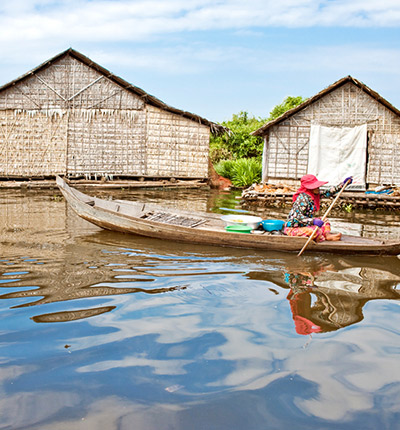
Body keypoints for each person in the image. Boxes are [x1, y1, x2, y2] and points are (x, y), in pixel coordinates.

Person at [284, 174, 352, 242]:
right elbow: (297, 217)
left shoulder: (314, 195)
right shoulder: (302, 199)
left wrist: (342, 184)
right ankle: (321, 236)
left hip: (305, 225)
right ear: (309, 188)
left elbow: (328, 192)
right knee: (314, 231)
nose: (318, 188)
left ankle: (327, 235)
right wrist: (313, 221)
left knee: (324, 220)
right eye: (315, 187)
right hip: (293, 228)